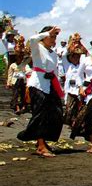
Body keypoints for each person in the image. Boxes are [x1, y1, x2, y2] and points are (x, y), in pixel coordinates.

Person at [17, 26, 64, 158]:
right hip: (38, 84)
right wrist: (46, 33)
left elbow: (55, 70)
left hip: (51, 84)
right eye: (51, 36)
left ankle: (41, 139)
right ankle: (41, 145)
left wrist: (59, 86)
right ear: (44, 36)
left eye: (55, 37)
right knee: (40, 114)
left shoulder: (53, 53)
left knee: (56, 112)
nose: (53, 39)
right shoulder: (38, 48)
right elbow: (32, 39)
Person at [62, 44, 86, 126]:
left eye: (77, 57)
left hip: (79, 88)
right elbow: (63, 56)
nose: (75, 59)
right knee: (69, 108)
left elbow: (85, 55)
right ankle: (69, 120)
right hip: (70, 89)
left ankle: (76, 122)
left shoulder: (82, 65)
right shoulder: (67, 65)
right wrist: (71, 45)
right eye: (74, 57)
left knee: (79, 107)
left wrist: (79, 44)